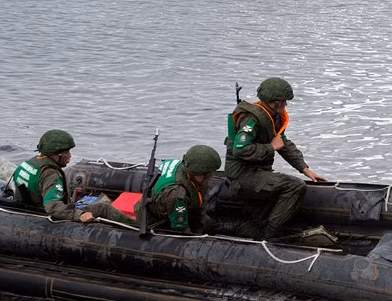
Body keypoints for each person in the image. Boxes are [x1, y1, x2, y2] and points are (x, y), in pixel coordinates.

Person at [224, 77, 326, 240]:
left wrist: (305, 169)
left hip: (258, 172)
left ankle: (260, 229)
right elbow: (240, 149)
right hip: (241, 175)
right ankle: (270, 235)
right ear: (274, 102)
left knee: (260, 218)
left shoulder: (272, 117)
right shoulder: (251, 119)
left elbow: (283, 143)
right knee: (295, 186)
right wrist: (270, 147)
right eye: (283, 102)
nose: (285, 105)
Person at [11, 129, 136, 226]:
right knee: (104, 208)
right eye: (66, 152)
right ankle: (136, 227)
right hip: (45, 213)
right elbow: (52, 206)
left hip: (29, 206)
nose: (70, 156)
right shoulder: (51, 174)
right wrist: (79, 214)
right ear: (56, 154)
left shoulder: (29, 164)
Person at [134, 144, 222, 234]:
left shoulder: (184, 167)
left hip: (173, 205)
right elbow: (181, 229)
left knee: (208, 224)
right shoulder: (178, 195)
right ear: (197, 172)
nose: (210, 177)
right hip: (157, 220)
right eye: (206, 174)